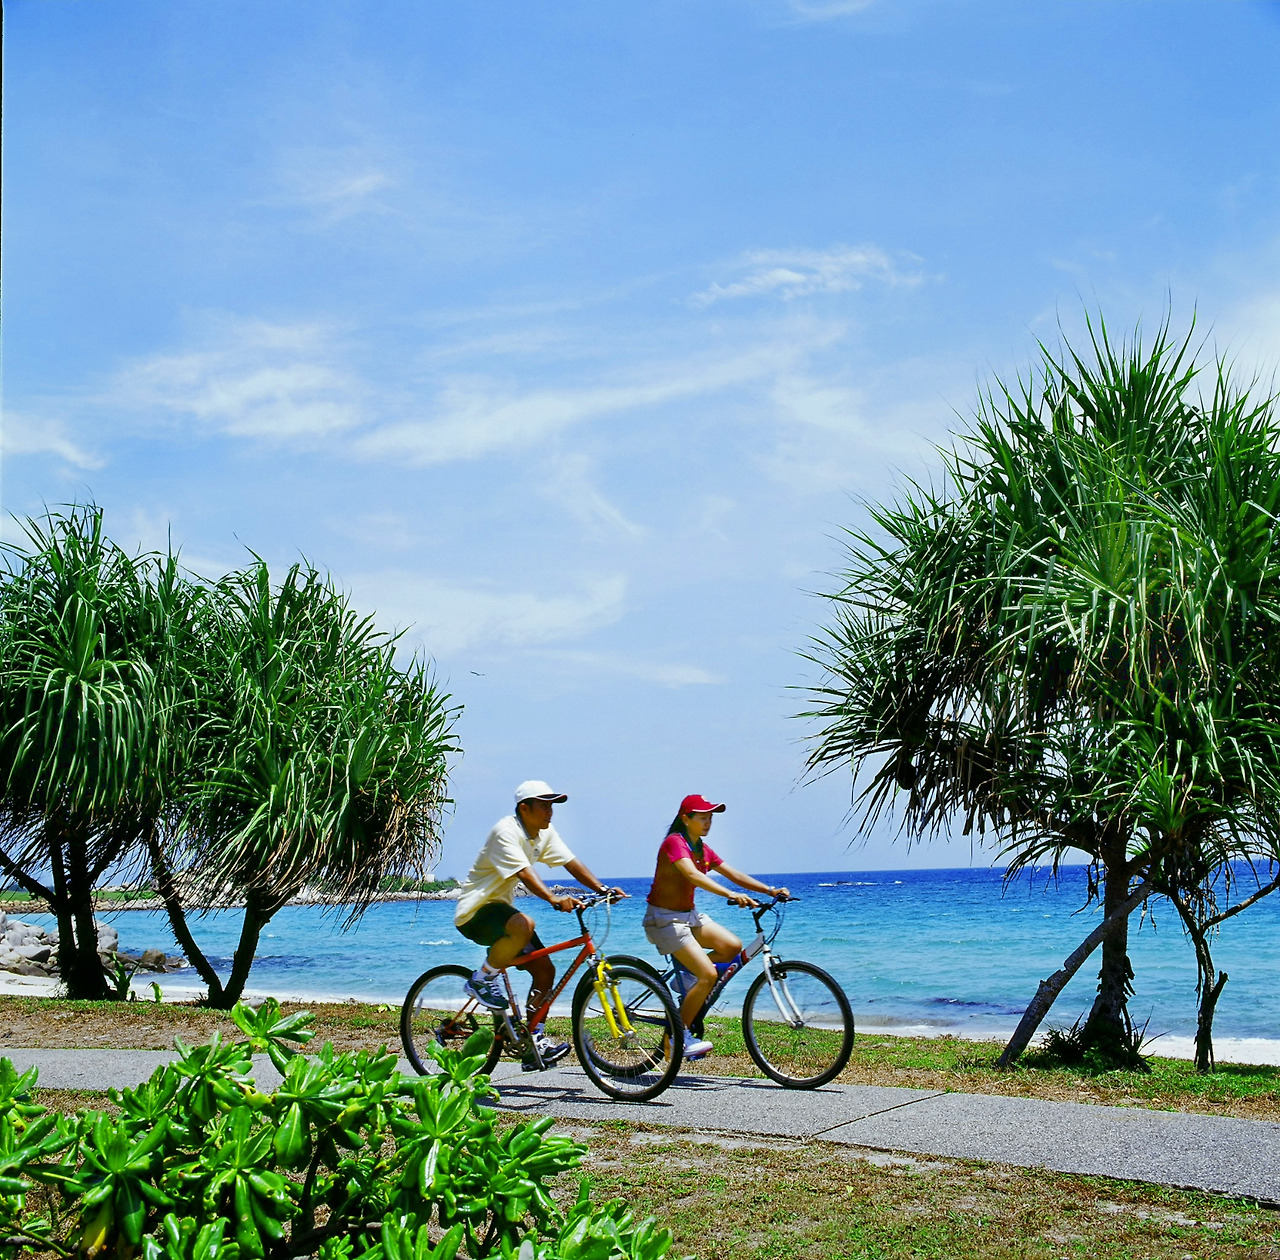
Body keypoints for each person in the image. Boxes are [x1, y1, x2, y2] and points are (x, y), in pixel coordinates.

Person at [455, 780, 626, 1069]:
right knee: (525, 924)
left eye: (552, 806)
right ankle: (481, 979)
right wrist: (553, 898)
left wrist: (601, 889)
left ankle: (533, 1041)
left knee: (546, 971)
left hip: (501, 913)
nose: (550, 812)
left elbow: (570, 862)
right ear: (525, 808)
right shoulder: (505, 831)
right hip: (475, 912)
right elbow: (524, 872)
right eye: (544, 805)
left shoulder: (543, 833)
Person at [643, 794, 788, 1059]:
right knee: (709, 975)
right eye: (702, 817)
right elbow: (692, 875)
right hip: (664, 920)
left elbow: (734, 874)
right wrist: (730, 895)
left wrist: (770, 890)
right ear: (686, 819)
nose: (708, 822)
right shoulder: (674, 842)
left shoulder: (702, 849)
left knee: (731, 946)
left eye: (710, 817)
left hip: (688, 917)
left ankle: (689, 979)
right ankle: (677, 1038)